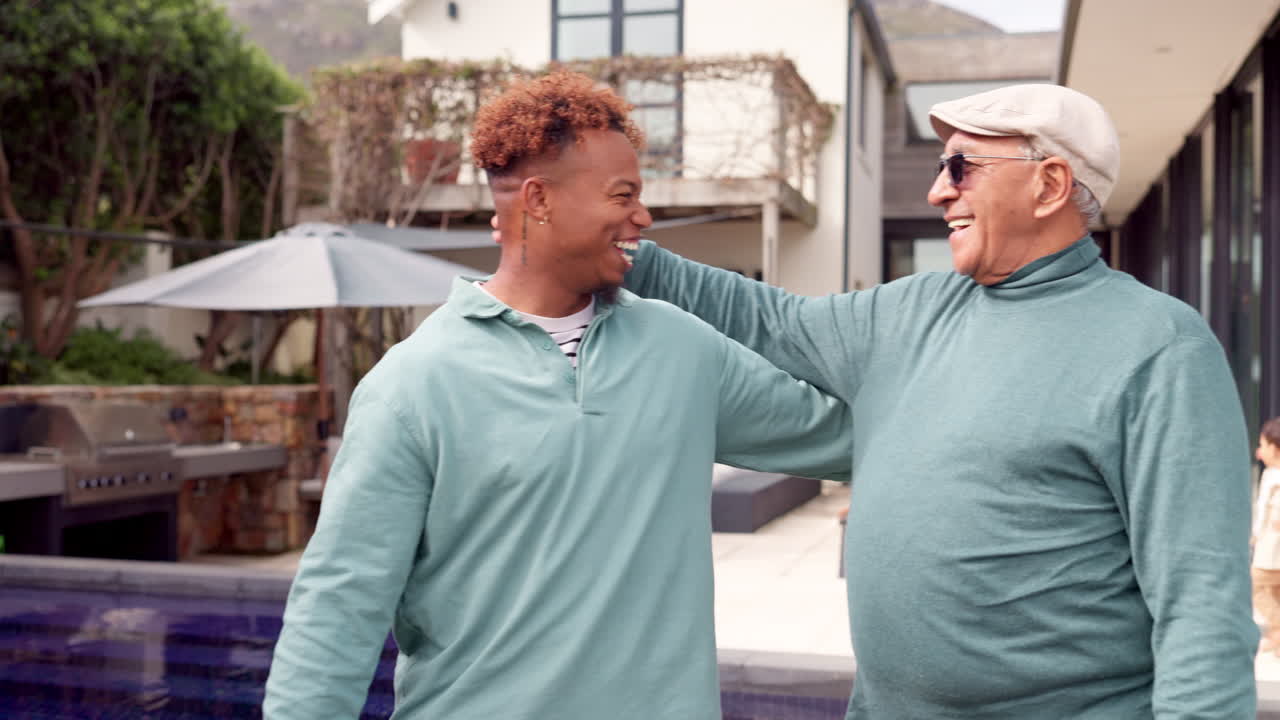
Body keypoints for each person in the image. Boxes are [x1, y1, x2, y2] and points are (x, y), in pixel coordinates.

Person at [618, 84, 1257, 717]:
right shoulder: (911, 309)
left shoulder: (1158, 347)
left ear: (1051, 185)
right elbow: (769, 319)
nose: (938, 190)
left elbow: (1200, 607)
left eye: (961, 167)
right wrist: (620, 255)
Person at [261, 71, 852, 720]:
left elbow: (845, 438)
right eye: (623, 195)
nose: (643, 218)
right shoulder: (413, 385)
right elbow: (339, 609)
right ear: (538, 201)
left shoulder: (685, 351)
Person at [1253, 417, 1280, 655]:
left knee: (1258, 586)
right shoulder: (1270, 473)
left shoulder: (1276, 476)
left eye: (1263, 444)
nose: (1259, 451)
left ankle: (1279, 630)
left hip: (1272, 550)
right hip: (1268, 545)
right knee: (1275, 593)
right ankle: (1277, 636)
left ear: (1275, 447)